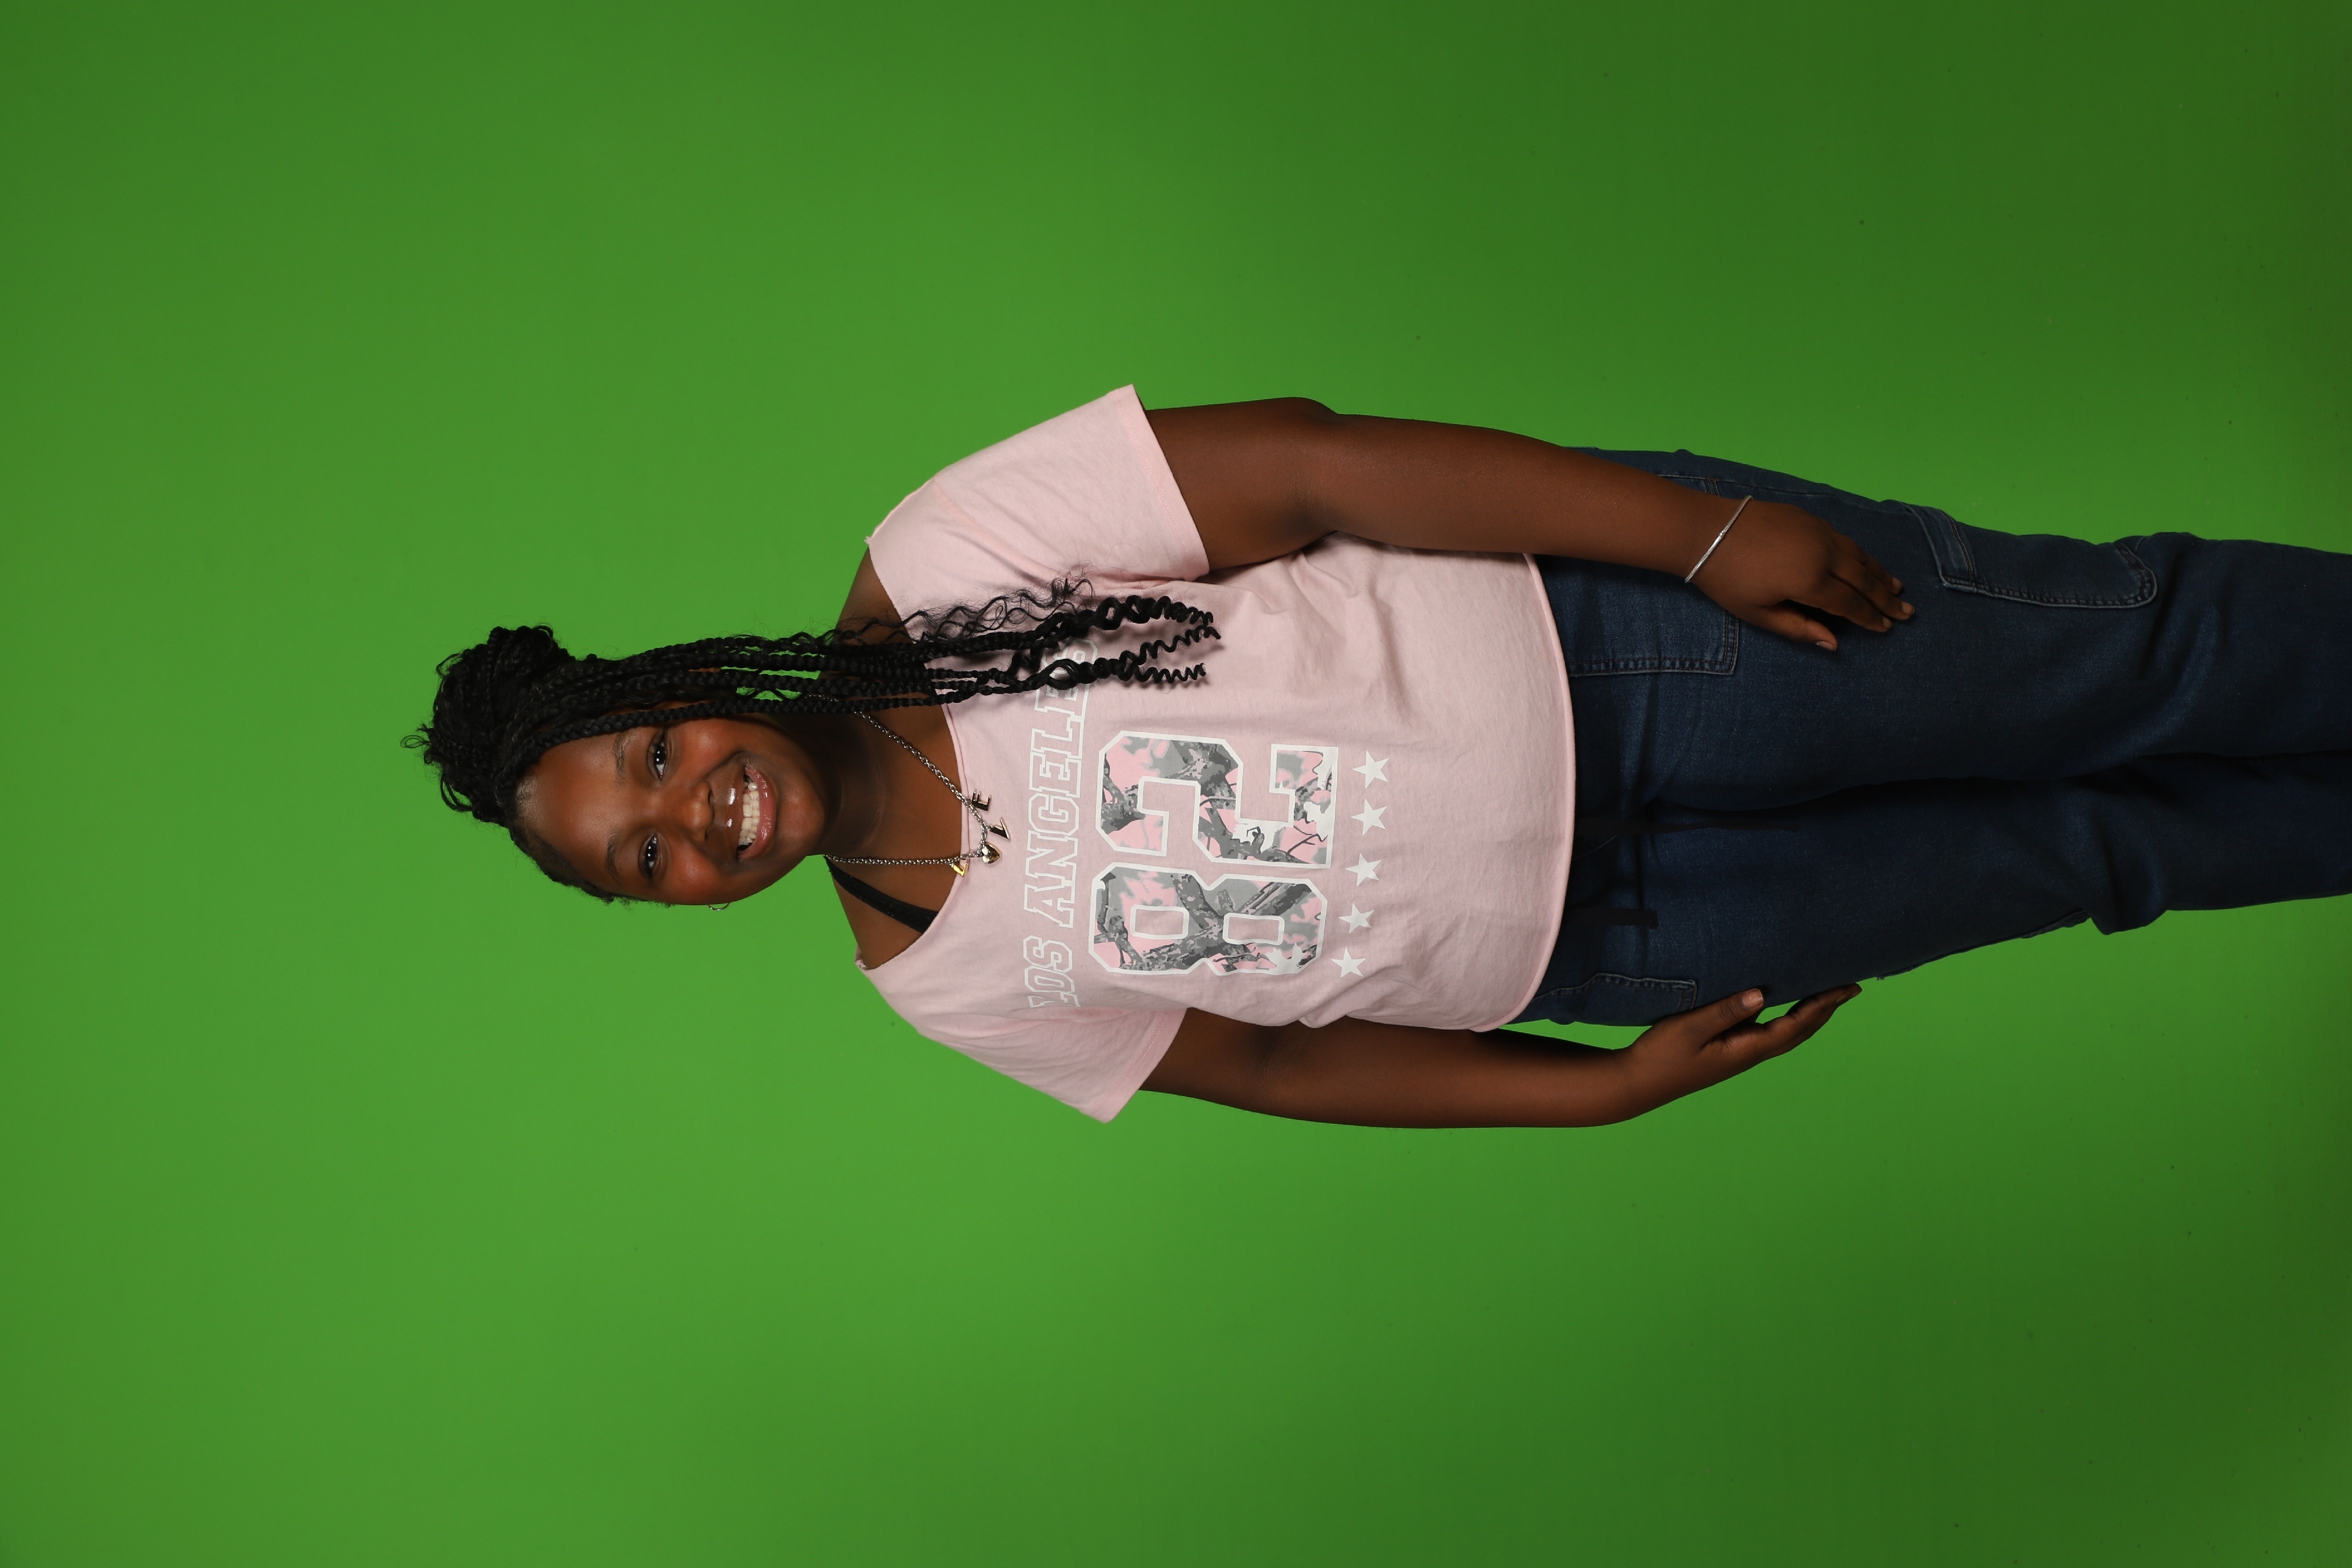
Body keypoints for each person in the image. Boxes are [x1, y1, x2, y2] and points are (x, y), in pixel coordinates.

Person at [412, 389, 2352, 1128]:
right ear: (668, 905)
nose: (693, 813)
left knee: (2125, 658)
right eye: (645, 858)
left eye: (648, 755)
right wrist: (1585, 1099)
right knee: (2098, 856)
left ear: (672, 688)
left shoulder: (942, 561)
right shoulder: (939, 975)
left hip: (1631, 652)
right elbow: (1274, 1063)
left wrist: (1690, 536)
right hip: (1626, 940)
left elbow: (1315, 465)